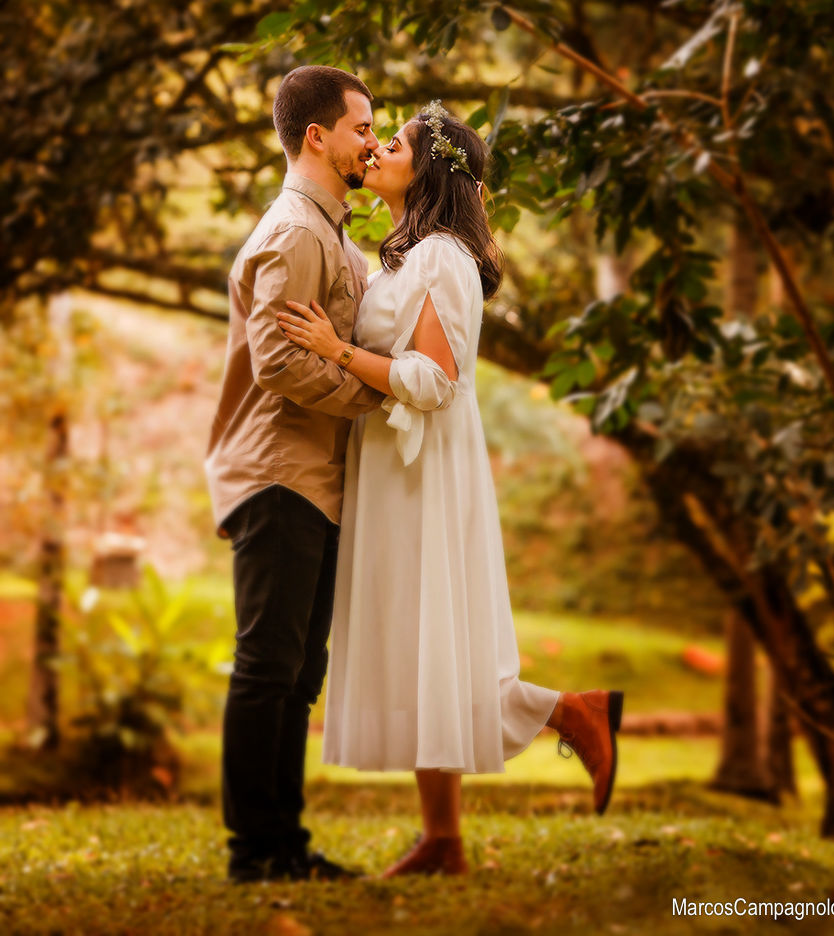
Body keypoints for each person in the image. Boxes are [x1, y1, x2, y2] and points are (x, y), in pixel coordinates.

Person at [276, 100, 624, 879]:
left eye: (390, 142)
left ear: (428, 168)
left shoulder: (441, 257)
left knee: (431, 640)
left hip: (423, 468)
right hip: (395, 463)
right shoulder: (405, 255)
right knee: (417, 647)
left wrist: (336, 351)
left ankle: (571, 711)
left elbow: (430, 380)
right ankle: (443, 838)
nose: (376, 149)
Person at [205, 64, 385, 883]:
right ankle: (256, 850)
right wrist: (374, 401)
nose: (372, 143)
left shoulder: (332, 233)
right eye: (361, 128)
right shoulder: (297, 233)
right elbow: (279, 360)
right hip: (280, 472)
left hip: (316, 476)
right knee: (268, 666)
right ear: (317, 135)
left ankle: (284, 843)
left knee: (298, 672)